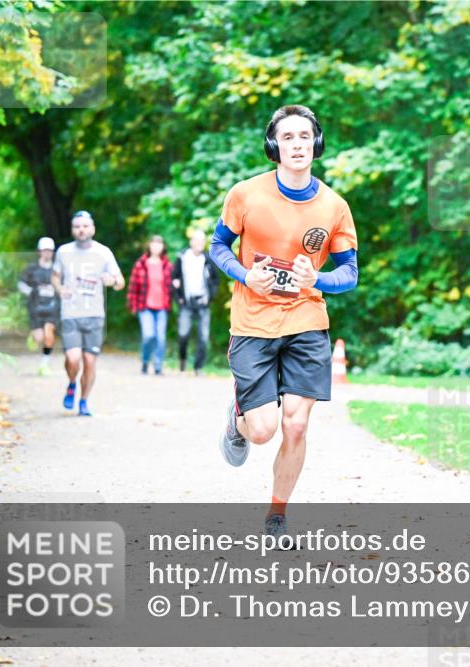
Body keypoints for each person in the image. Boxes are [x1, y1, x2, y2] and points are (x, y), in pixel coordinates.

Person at [210, 104, 358, 541]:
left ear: (317, 143)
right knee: (262, 431)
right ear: (275, 146)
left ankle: (277, 515)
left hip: (307, 321)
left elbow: (349, 274)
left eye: (305, 136)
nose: (298, 144)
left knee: (295, 424)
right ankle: (238, 418)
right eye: (288, 137)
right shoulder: (245, 194)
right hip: (253, 323)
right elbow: (219, 248)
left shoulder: (334, 206)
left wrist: (320, 279)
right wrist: (244, 274)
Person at [51, 210, 125, 416]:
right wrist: (60, 289)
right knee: (73, 359)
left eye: (85, 226)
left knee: (90, 361)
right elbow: (55, 276)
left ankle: (83, 402)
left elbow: (120, 281)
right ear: (73, 229)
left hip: (94, 315)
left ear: (92, 228)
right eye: (77, 226)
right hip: (70, 313)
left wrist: (112, 281)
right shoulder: (63, 251)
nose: (81, 230)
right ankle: (72, 382)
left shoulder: (103, 252)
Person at [171, 230, 220, 375]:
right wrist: (178, 297)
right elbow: (174, 278)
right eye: (197, 240)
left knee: (203, 337)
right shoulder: (182, 257)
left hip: (203, 303)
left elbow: (215, 280)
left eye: (202, 241)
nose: (199, 243)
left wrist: (211, 296)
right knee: (183, 334)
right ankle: (182, 362)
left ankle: (198, 368)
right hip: (186, 302)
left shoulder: (208, 259)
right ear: (191, 242)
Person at [127, 235, 172, 375]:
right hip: (144, 306)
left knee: (161, 338)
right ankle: (145, 362)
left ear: (163, 247)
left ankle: (158, 366)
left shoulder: (167, 265)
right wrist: (132, 305)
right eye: (154, 243)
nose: (156, 246)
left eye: (159, 244)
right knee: (148, 335)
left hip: (162, 307)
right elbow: (133, 286)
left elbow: (172, 286)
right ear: (149, 246)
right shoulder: (140, 264)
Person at [17, 237, 60, 374]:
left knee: (49, 334)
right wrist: (30, 291)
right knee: (39, 337)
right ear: (39, 251)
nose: (47, 253)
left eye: (49, 250)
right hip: (35, 308)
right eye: (44, 250)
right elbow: (21, 283)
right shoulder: (32, 269)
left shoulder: (57, 269)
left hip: (52, 308)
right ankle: (34, 336)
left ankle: (44, 364)